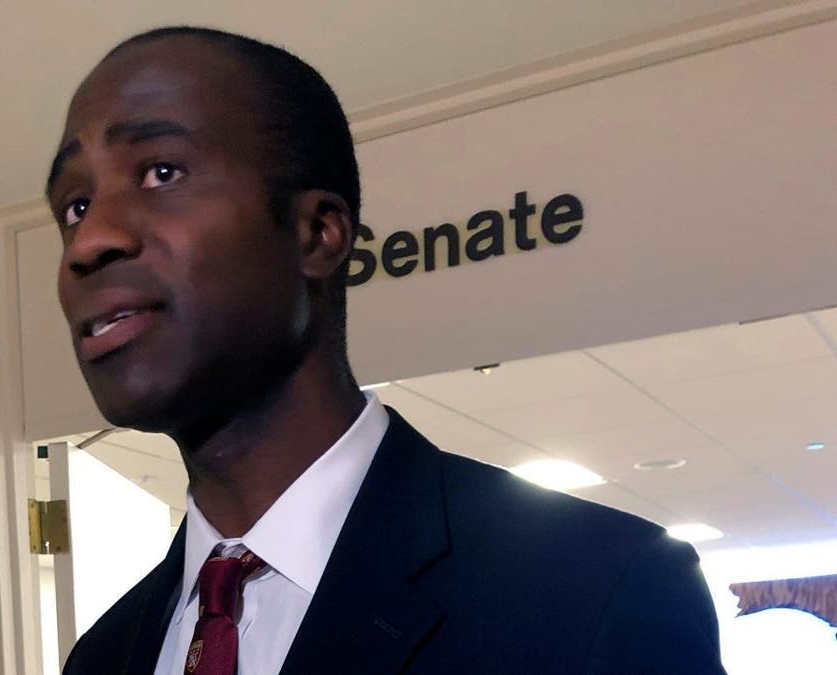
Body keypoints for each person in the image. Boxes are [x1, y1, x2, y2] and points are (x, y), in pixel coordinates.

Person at [48, 26, 725, 675]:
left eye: (161, 172)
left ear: (318, 233)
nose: (88, 241)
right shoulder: (104, 654)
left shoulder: (597, 589)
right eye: (74, 207)